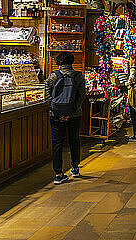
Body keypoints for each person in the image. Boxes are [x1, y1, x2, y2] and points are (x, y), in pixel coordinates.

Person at [45, 51, 87, 185]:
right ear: (72, 61)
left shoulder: (53, 76)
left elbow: (47, 96)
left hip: (55, 116)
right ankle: (75, 168)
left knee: (57, 143)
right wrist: (71, 111)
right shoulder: (78, 76)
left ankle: (58, 174)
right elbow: (82, 96)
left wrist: (57, 111)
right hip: (75, 115)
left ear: (59, 62)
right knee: (74, 140)